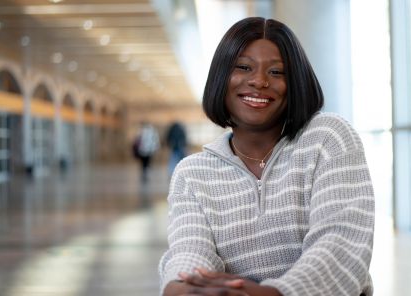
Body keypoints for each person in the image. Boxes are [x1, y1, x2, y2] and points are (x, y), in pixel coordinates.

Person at [159, 17, 374, 296]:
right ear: (221, 78)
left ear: (295, 82)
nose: (259, 81)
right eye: (244, 67)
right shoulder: (192, 173)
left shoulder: (328, 138)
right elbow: (189, 251)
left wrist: (272, 293)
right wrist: (183, 287)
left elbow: (341, 246)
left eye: (277, 72)